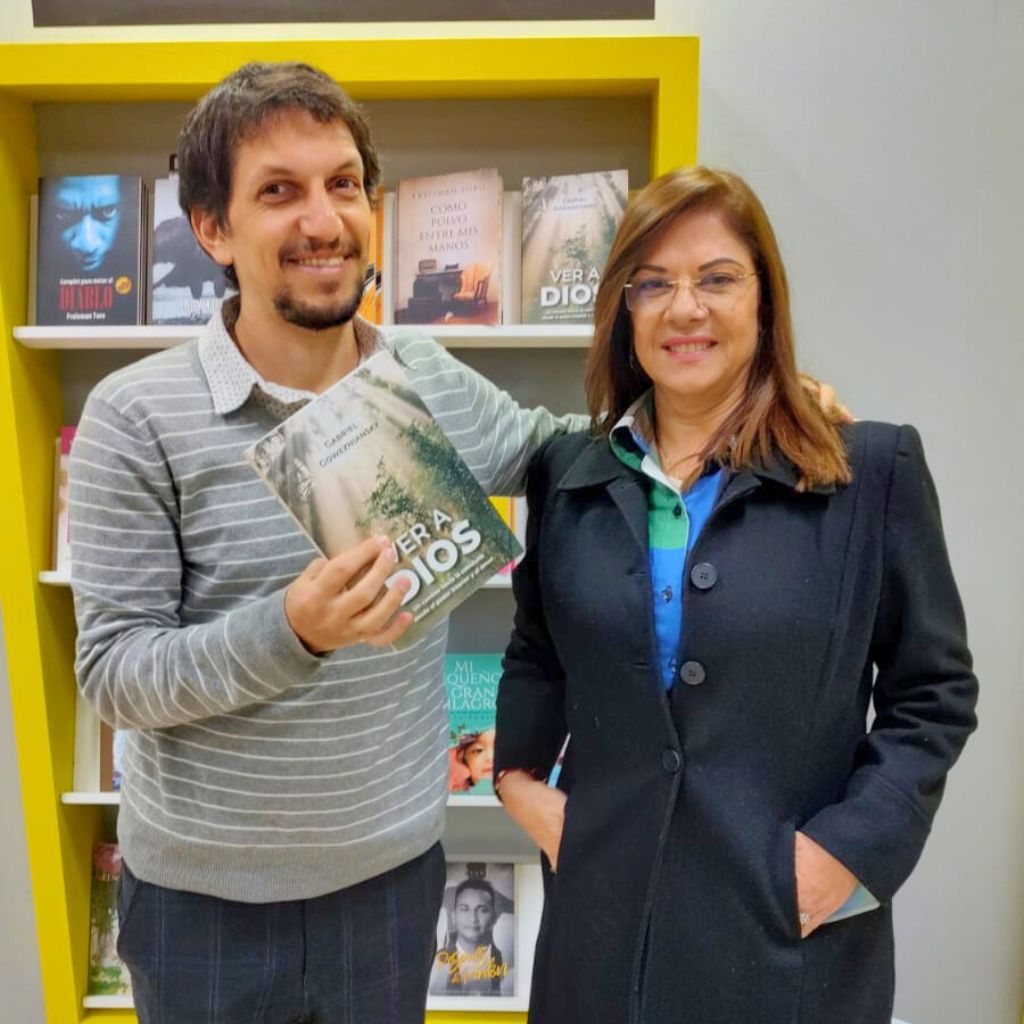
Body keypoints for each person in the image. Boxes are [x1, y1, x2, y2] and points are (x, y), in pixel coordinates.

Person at [68, 61, 586, 1024]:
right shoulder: (133, 415)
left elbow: (559, 452)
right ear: (213, 229)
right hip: (202, 909)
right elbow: (114, 675)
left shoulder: (422, 373)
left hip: (389, 887)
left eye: (343, 184)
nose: (323, 220)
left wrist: (738, 413)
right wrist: (292, 632)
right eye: (278, 191)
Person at [493, 166, 978, 1024]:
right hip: (602, 937)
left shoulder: (871, 472)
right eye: (653, 284)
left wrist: (845, 855)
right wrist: (518, 783)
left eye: (717, 279)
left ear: (764, 301)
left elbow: (933, 695)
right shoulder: (567, 474)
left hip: (784, 946)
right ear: (624, 311)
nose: (685, 309)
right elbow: (538, 652)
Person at [428, 876, 510, 996]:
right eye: (464, 909)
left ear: (494, 918)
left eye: (482, 910)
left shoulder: (508, 965)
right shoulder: (434, 964)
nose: (473, 918)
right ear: (453, 917)